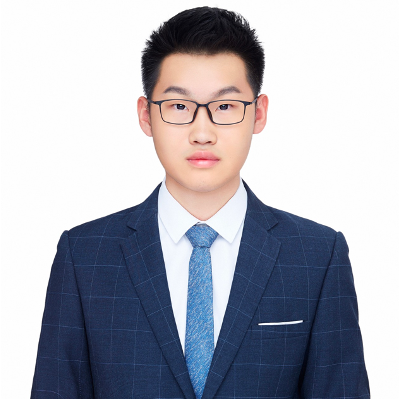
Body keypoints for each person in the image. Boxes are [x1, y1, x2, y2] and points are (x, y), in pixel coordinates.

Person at [30, 6, 370, 399]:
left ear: (258, 114)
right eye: (179, 106)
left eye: (225, 106)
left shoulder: (316, 256)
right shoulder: (85, 257)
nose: (202, 132)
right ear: (146, 116)